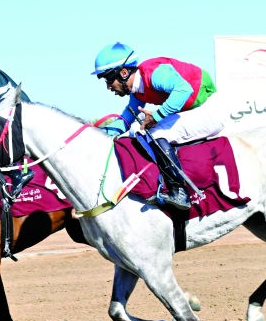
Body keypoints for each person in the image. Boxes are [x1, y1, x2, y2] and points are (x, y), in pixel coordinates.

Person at [93, 42, 224, 210]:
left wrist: (156, 117)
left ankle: (179, 191)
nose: (108, 86)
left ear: (124, 72)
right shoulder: (137, 91)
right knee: (136, 130)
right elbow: (125, 120)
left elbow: (184, 90)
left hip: (211, 110)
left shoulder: (154, 73)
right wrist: (100, 134)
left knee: (153, 132)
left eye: (109, 79)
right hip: (195, 111)